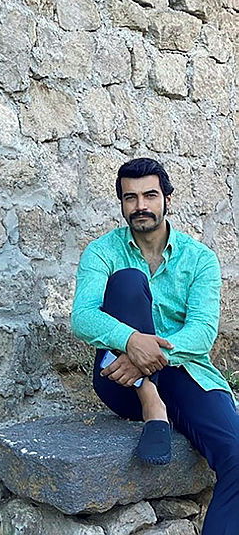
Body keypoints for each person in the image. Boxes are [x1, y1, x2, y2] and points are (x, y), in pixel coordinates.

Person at [71, 157, 239, 534]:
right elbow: (82, 317)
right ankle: (151, 401)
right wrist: (130, 340)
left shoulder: (200, 259)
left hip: (183, 373)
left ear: (167, 199)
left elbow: (201, 333)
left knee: (238, 457)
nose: (140, 205)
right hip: (121, 383)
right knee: (127, 281)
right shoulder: (102, 251)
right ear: (121, 204)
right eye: (130, 198)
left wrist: (147, 356)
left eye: (149, 195)